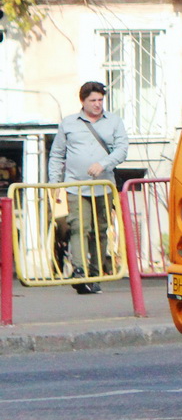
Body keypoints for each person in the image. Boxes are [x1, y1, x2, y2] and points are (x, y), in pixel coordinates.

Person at [47, 81, 128, 294]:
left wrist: (104, 164)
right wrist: (54, 184)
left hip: (103, 186)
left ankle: (96, 272)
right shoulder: (69, 123)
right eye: (93, 100)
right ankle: (80, 272)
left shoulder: (114, 121)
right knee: (79, 227)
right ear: (83, 101)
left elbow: (122, 149)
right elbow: (57, 154)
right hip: (76, 186)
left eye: (100, 100)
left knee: (101, 230)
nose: (97, 104)